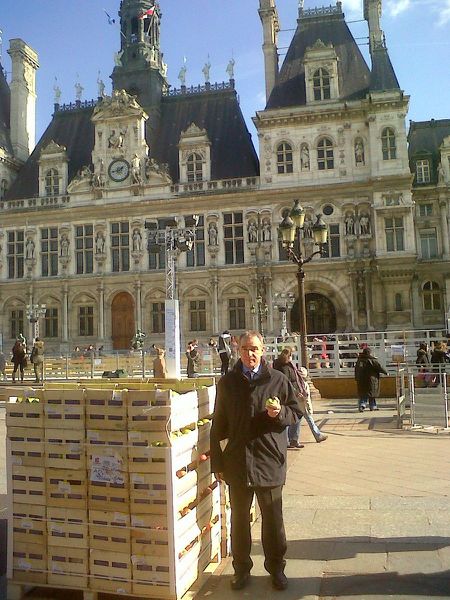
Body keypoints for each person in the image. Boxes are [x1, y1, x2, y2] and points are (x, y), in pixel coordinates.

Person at [210, 330, 301, 591]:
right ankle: (241, 569)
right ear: (238, 350)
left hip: (269, 460)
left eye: (255, 349)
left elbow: (296, 411)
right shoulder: (227, 383)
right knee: (239, 520)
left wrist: (280, 412)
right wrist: (218, 463)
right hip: (237, 461)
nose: (250, 354)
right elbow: (219, 424)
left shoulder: (278, 380)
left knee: (273, 520)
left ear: (263, 351)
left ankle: (276, 568)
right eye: (246, 349)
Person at [273, 348, 327, 447]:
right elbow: (287, 383)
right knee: (293, 416)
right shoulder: (284, 367)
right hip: (290, 396)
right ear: (289, 356)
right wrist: (296, 392)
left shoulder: (288, 366)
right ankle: (290, 440)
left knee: (298, 416)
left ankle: (293, 439)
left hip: (295, 395)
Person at [354, 347, 387, 412]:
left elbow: (356, 370)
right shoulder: (372, 360)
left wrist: (356, 378)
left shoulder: (359, 360)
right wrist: (385, 372)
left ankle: (362, 405)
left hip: (361, 380)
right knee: (372, 394)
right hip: (371, 380)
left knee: (363, 394)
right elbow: (379, 367)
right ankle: (372, 406)